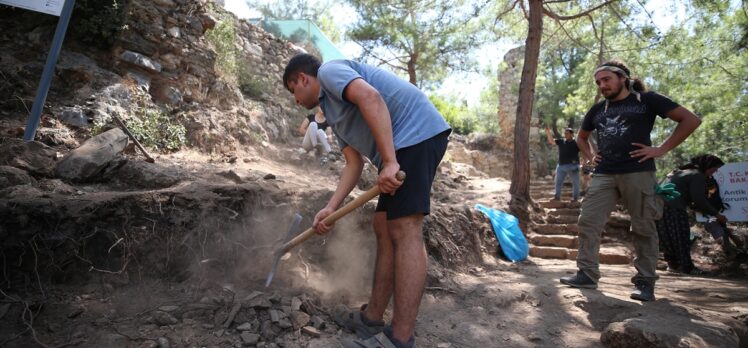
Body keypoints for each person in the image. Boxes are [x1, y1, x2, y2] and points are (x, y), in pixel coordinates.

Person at [282, 53, 451, 348]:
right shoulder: (332, 114)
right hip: (402, 146)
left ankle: (400, 338)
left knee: (405, 228)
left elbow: (371, 98)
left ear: (303, 79)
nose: (295, 100)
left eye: (292, 90)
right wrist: (330, 208)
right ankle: (372, 317)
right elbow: (353, 164)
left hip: (416, 135)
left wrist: (388, 161)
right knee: (383, 225)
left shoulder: (331, 72)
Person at [559, 60, 701, 302]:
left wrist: (661, 149)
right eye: (598, 82)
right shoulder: (598, 110)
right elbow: (582, 138)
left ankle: (645, 282)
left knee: (644, 227)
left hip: (639, 172)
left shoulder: (646, 100)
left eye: (606, 80)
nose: (602, 85)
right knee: (588, 221)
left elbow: (691, 120)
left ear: (622, 78)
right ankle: (587, 273)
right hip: (604, 173)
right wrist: (591, 156)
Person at [656, 155, 726, 275]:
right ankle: (687, 268)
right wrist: (717, 214)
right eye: (715, 168)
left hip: (657, 207)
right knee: (682, 237)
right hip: (674, 209)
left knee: (668, 237)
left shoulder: (679, 171)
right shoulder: (697, 175)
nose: (716, 171)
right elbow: (699, 200)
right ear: (707, 166)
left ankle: (673, 265)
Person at [545, 126, 581, 202]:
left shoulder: (576, 143)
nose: (565, 135)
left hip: (573, 166)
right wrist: (548, 132)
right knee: (558, 182)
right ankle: (557, 197)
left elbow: (583, 151)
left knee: (576, 183)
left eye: (567, 133)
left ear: (571, 134)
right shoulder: (561, 141)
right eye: (565, 133)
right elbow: (551, 141)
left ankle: (575, 199)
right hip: (561, 166)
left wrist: (583, 162)